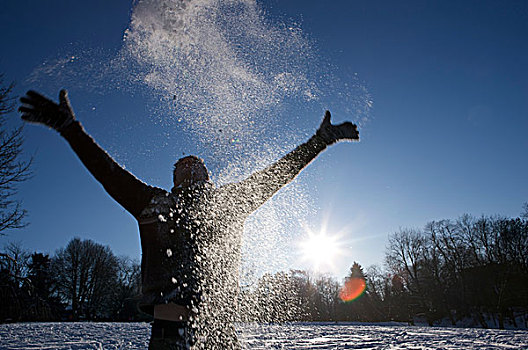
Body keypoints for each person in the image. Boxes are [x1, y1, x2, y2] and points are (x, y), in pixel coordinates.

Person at [19, 89, 359, 349]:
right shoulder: (152, 204)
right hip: (169, 334)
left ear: (209, 176)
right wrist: (69, 128)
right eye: (182, 165)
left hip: (221, 333)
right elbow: (107, 172)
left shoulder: (230, 203)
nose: (190, 165)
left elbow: (279, 173)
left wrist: (320, 141)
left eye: (197, 163)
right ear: (174, 180)